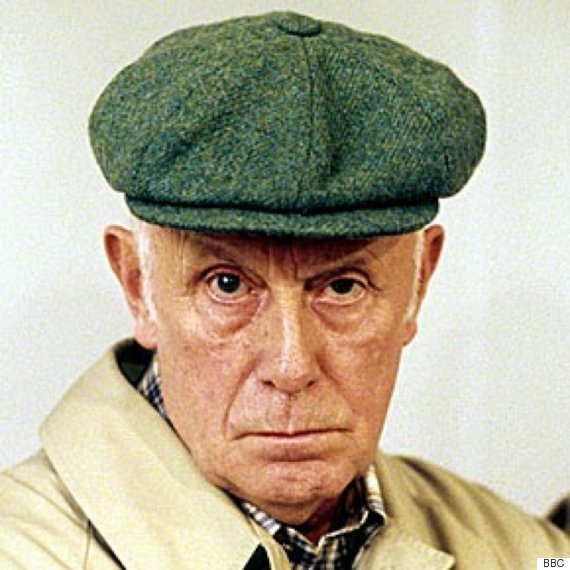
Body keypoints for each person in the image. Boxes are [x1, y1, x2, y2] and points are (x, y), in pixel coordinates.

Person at [0, 11, 567, 569]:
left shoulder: (529, 553)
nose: (291, 367)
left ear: (419, 284)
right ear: (137, 285)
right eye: (227, 285)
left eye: (342, 287)